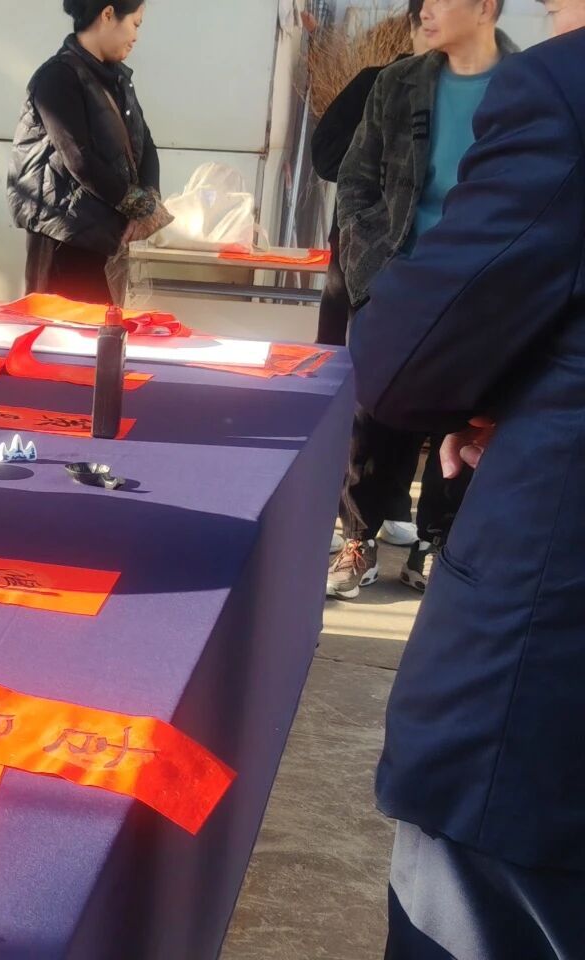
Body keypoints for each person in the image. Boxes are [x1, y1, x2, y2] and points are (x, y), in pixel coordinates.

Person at [348, 2, 585, 953]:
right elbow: (357, 183)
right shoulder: (399, 86)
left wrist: (519, 393)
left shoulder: (558, 87)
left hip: (547, 644)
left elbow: (407, 360)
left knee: (481, 905)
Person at [328, 0, 517, 599]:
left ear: (485, 6)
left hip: (482, 287)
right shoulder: (397, 82)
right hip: (399, 280)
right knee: (374, 415)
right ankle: (359, 538)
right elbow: (355, 178)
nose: (425, 10)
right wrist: (370, 271)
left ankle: (437, 543)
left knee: (467, 418)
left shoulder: (528, 85)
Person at [9, 0, 171, 306]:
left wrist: (150, 197)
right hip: (64, 239)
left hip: (103, 239)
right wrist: (139, 206)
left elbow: (145, 143)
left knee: (104, 329)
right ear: (108, 14)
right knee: (64, 330)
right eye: (135, 24)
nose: (136, 37)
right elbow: (79, 159)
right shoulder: (57, 77)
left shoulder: (115, 79)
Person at [310, 2, 426, 348]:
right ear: (412, 29)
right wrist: (378, 149)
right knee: (342, 357)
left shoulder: (480, 94)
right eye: (424, 20)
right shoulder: (372, 83)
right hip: (356, 256)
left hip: (429, 268)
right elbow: (324, 157)